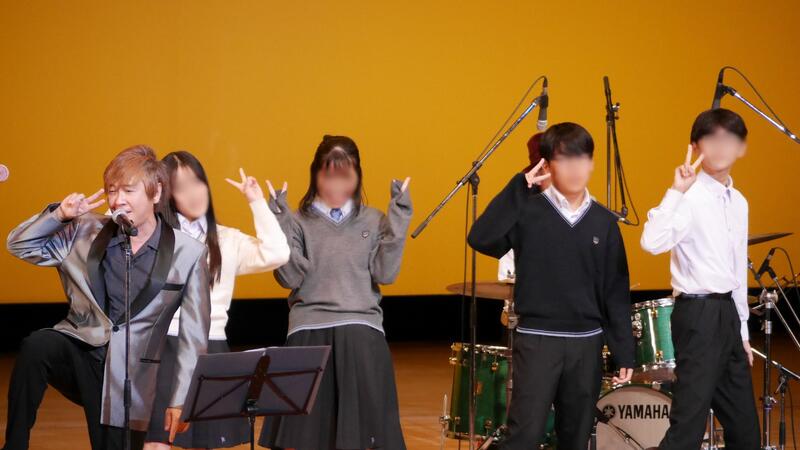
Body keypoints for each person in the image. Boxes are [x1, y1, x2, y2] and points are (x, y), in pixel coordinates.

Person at [3, 145, 210, 450]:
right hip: (82, 352)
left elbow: (194, 336)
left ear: (155, 193)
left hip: (131, 376)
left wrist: (181, 399)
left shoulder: (189, 253)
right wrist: (60, 215)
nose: (117, 199)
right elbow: (20, 245)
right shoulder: (84, 230)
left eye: (128, 190)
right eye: (112, 190)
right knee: (38, 345)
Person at [468, 122, 634, 450]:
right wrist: (519, 186)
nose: (574, 168)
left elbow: (615, 291)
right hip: (537, 340)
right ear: (547, 165)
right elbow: (481, 238)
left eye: (581, 158)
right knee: (524, 435)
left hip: (586, 343)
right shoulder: (527, 211)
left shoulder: (604, 221)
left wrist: (623, 351)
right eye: (564, 159)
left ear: (591, 163)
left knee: (576, 437)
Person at [258, 135, 412, 450]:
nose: (337, 185)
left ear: (357, 176)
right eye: (330, 175)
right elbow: (288, 277)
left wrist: (398, 217)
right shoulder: (298, 220)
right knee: (302, 439)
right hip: (309, 327)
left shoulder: (374, 219)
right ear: (316, 174)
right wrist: (280, 221)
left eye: (345, 175)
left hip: (361, 327)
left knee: (364, 438)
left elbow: (386, 274)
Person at [144, 152, 290, 450]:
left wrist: (255, 201)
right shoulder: (155, 236)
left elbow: (277, 253)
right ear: (166, 195)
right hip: (165, 345)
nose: (194, 193)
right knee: (158, 442)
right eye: (181, 186)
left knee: (207, 443)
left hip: (212, 346)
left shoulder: (227, 240)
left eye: (197, 182)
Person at [640, 108, 760, 450]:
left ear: (741, 148)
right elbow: (651, 242)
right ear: (695, 147)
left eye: (730, 139)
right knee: (687, 429)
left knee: (746, 433)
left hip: (728, 316)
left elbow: (737, 270)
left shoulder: (739, 201)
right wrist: (675, 192)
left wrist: (742, 331)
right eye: (711, 139)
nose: (721, 147)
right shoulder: (688, 198)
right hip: (698, 314)